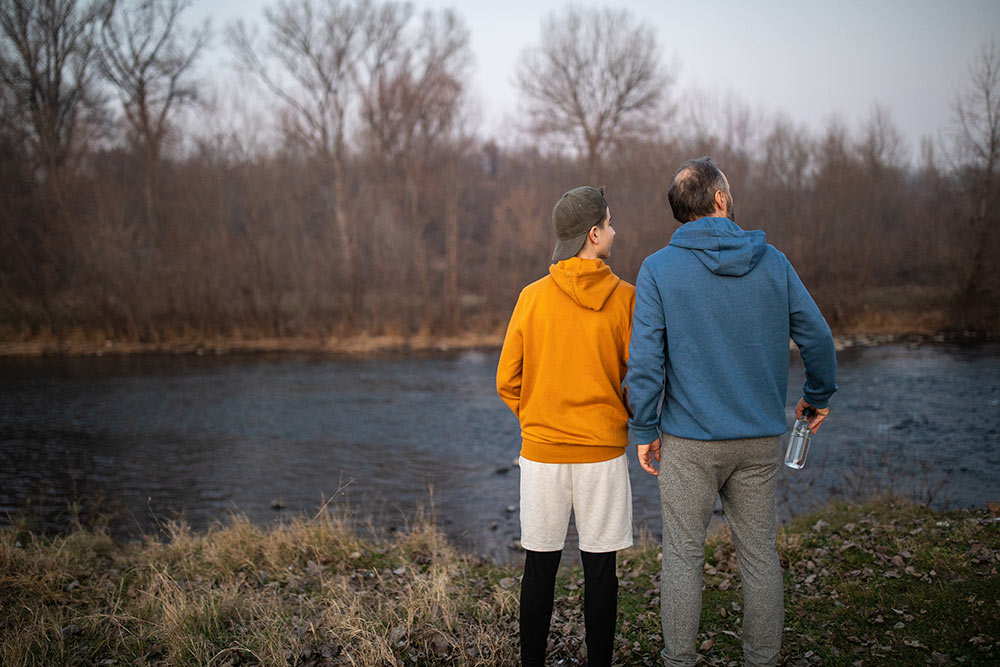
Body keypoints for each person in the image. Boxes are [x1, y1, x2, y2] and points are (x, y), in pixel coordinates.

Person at [626, 157, 837, 667]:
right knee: (759, 554)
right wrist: (818, 396)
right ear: (720, 199)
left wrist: (645, 428)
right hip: (759, 441)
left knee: (681, 557)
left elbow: (646, 363)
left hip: (688, 443)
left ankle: (678, 660)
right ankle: (761, 659)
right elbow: (818, 338)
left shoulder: (657, 269)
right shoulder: (774, 263)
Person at [497, 186, 635, 667]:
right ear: (594, 235)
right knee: (602, 573)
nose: (615, 231)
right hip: (603, 455)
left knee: (539, 569)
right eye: (611, 224)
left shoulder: (531, 298)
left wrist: (538, 420)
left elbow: (506, 379)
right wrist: (625, 416)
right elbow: (637, 380)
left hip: (542, 456)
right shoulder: (626, 300)